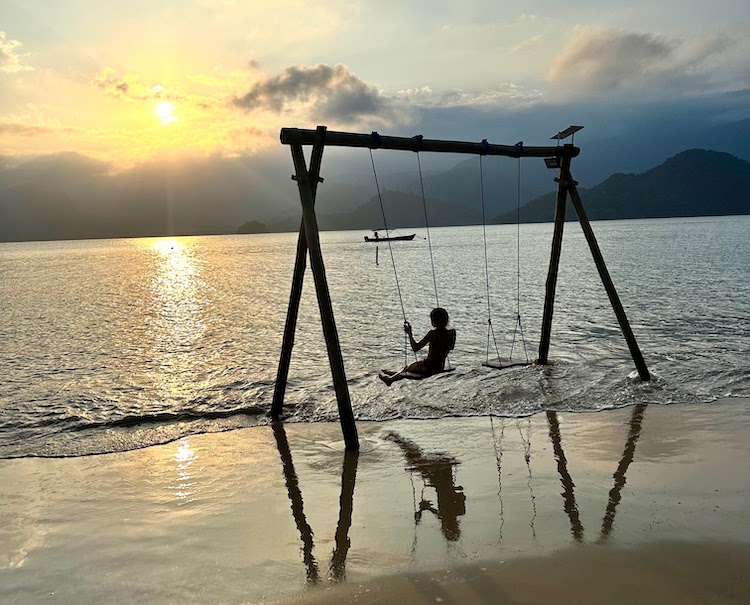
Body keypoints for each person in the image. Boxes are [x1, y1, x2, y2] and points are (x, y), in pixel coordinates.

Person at [379, 307, 456, 386]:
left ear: (434, 321)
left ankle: (390, 380)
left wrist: (410, 334)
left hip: (427, 368)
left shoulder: (432, 334)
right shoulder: (452, 333)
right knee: (408, 368)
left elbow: (415, 348)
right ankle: (395, 374)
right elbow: (451, 347)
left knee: (407, 369)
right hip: (439, 367)